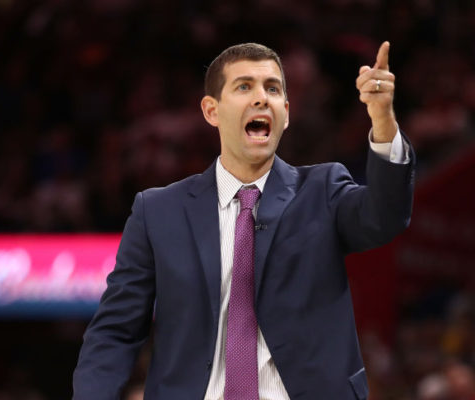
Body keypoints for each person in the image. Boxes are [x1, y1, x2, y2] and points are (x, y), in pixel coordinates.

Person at [73, 41, 415, 400]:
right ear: (211, 111)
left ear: (286, 110)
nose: (260, 98)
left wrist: (383, 121)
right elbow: (115, 331)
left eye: (272, 89)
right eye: (243, 86)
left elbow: (384, 217)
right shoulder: (157, 211)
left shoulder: (323, 191)